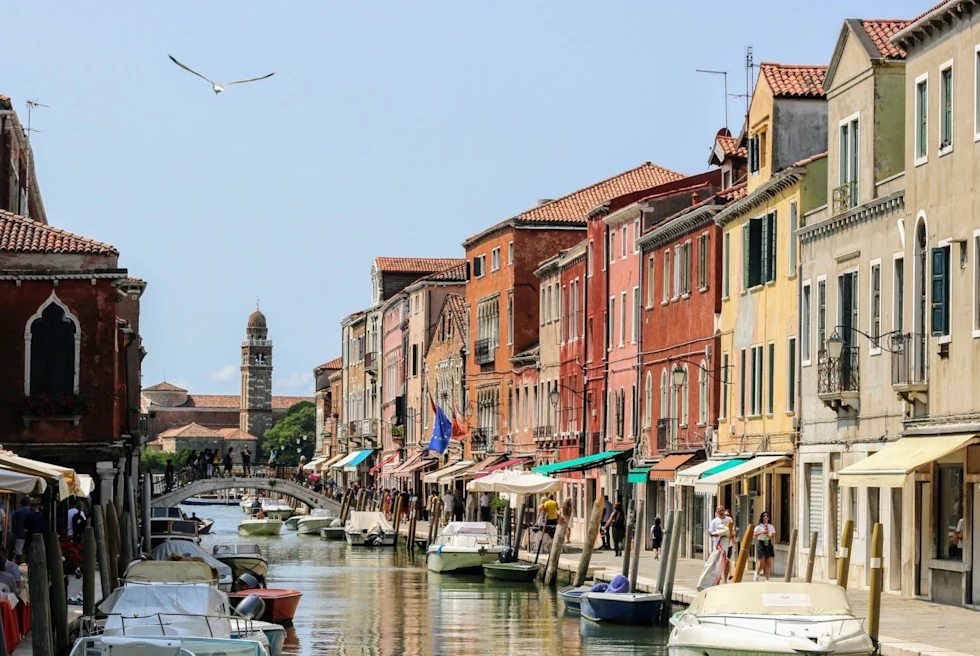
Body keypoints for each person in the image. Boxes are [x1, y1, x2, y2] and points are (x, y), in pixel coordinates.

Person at [708, 506, 731, 586]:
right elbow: (711, 533)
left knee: (727, 562)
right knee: (719, 563)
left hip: (728, 543)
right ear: (717, 512)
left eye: (722, 510)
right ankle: (717, 580)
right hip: (719, 545)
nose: (721, 512)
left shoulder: (729, 519)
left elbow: (732, 530)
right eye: (719, 510)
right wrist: (718, 534)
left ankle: (725, 580)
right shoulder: (714, 522)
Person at [754, 511, 776, 581]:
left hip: (768, 543)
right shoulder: (759, 526)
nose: (766, 517)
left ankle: (767, 579)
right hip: (761, 544)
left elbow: (773, 537)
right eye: (764, 516)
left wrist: (769, 536)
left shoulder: (771, 526)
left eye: (767, 516)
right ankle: (757, 573)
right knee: (762, 564)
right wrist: (762, 532)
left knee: (769, 563)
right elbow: (754, 535)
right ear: (762, 517)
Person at [11, 498, 30, 563]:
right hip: (29, 534)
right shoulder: (31, 511)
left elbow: (14, 522)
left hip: (19, 533)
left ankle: (19, 562)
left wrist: (14, 530)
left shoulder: (18, 511)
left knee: (18, 550)